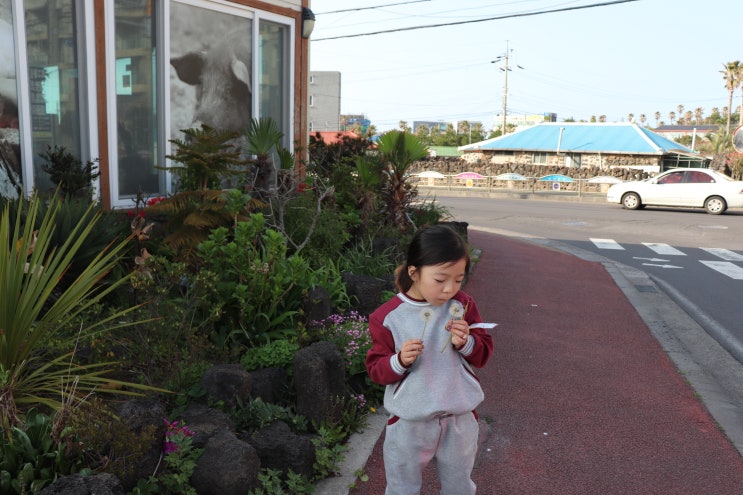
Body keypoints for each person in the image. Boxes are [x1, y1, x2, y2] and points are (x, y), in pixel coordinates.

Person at [366, 224, 495, 495]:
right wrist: (399, 361)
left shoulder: (464, 305)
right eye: (440, 280)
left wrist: (467, 342)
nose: (450, 289)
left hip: (459, 417)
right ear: (414, 272)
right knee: (402, 488)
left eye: (458, 279)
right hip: (410, 421)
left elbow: (483, 353)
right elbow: (376, 370)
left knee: (459, 487)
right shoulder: (387, 316)